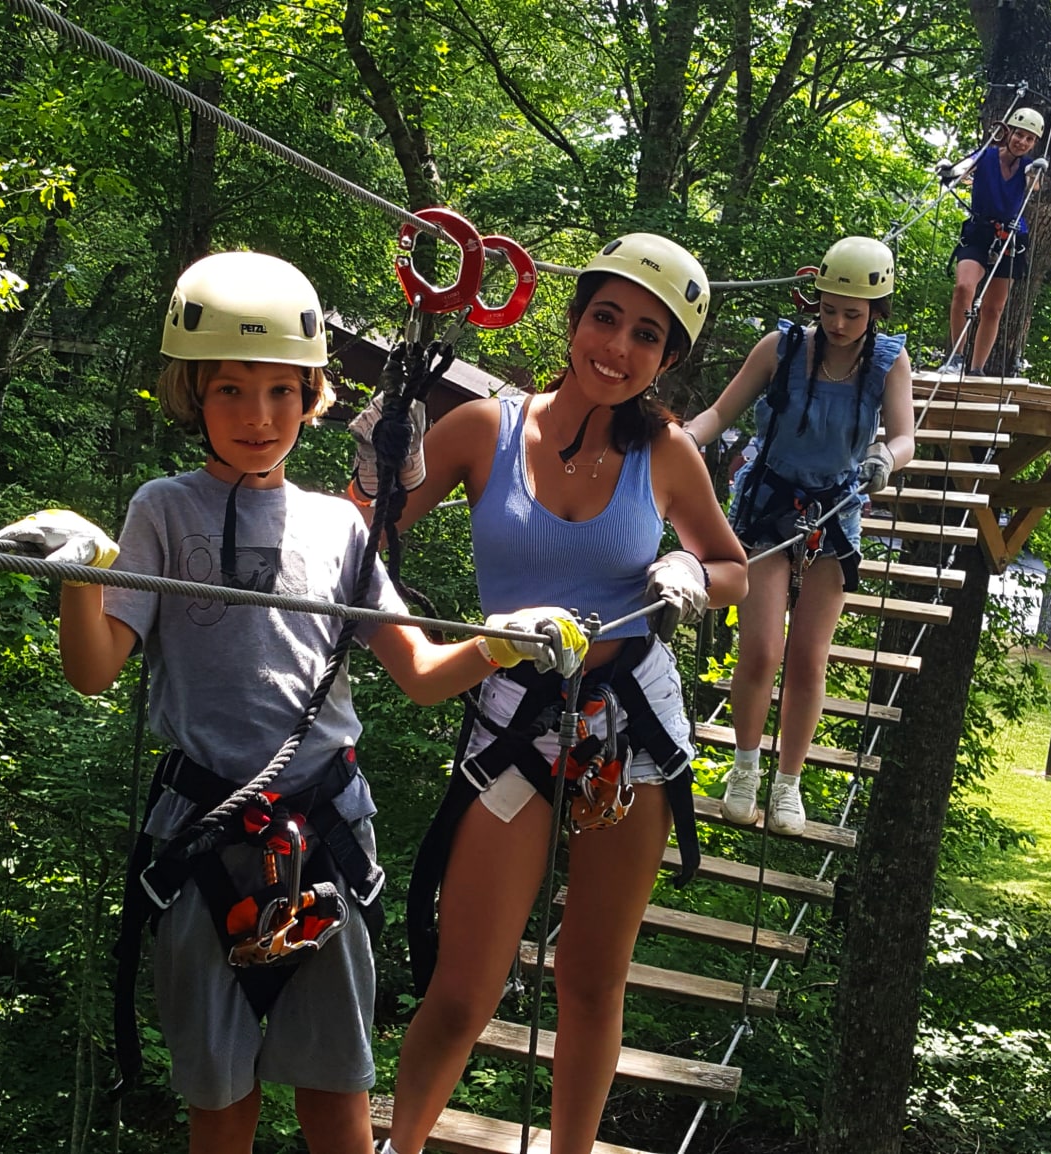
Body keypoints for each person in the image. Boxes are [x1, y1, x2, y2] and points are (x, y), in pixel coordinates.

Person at [0, 251, 588, 1154]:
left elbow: (421, 675)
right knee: (220, 1105)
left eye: (280, 391)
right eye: (230, 391)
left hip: (325, 836)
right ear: (193, 395)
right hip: (202, 836)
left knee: (336, 1103)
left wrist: (505, 639)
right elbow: (95, 671)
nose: (258, 417)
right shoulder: (162, 509)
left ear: (314, 395)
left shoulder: (338, 525)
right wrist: (84, 576)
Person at [363, 234, 748, 1154]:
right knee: (462, 991)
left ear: (667, 360)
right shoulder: (482, 429)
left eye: (646, 335)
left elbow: (735, 564)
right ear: (572, 319)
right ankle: (399, 1146)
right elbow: (362, 541)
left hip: (629, 725)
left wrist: (694, 569)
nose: (617, 348)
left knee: (590, 981)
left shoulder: (665, 455)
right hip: (514, 719)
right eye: (605, 318)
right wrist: (381, 463)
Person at [682, 236, 916, 833]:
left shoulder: (888, 362)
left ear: (876, 311)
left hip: (837, 505)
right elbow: (717, 414)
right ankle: (744, 767)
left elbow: (904, 434)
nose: (838, 323)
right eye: (830, 308)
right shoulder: (780, 349)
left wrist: (886, 458)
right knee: (761, 649)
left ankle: (788, 783)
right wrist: (678, 441)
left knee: (810, 658)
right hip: (770, 503)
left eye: (852, 313)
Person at [939, 106, 1045, 376]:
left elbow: (1033, 185)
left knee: (994, 308)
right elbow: (965, 167)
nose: (1022, 142)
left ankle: (977, 368)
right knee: (964, 287)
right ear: (1008, 133)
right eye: (1019, 135)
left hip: (1011, 236)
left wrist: (1036, 172)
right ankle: (955, 358)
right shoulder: (986, 155)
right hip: (980, 230)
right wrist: (950, 171)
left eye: (1029, 139)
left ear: (1034, 143)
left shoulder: (1028, 167)